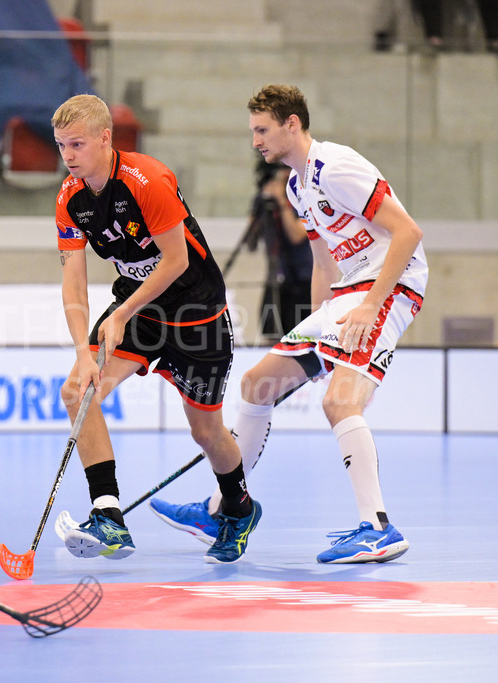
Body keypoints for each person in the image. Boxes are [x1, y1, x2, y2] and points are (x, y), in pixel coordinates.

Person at [150, 84, 428, 564]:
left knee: (339, 402)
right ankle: (222, 507)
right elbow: (324, 265)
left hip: (391, 285)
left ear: (291, 124)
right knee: (258, 385)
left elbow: (408, 232)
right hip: (347, 295)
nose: (255, 141)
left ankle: (378, 527)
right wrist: (321, 331)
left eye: (262, 130)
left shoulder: (336, 167)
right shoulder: (298, 187)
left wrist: (369, 306)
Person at [52, 94, 260, 565]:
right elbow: (74, 285)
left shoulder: (147, 180)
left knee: (206, 432)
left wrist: (122, 312)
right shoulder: (70, 199)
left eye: (77, 144)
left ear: (106, 138)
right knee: (76, 391)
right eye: (62, 145)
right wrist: (84, 353)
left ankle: (239, 508)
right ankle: (109, 516)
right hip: (141, 313)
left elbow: (176, 261)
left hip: (196, 314)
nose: (68, 156)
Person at [246, 159, 313, 344]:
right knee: (271, 337)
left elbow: (297, 235)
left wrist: (282, 201)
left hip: (302, 279)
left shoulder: (303, 196)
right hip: (275, 278)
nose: (283, 175)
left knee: (301, 339)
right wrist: (261, 206)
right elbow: (250, 242)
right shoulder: (264, 199)